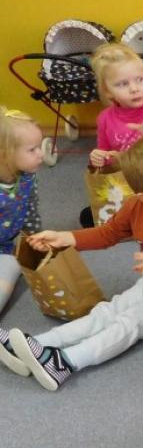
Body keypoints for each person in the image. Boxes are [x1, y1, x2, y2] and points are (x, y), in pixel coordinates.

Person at [0, 138, 143, 390]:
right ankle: (39, 343)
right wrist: (64, 237)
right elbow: (108, 233)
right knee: (108, 311)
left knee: (133, 320)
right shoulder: (136, 206)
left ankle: (66, 362)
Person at [79, 43, 143, 227]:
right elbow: (107, 160)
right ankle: (135, 223)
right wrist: (98, 158)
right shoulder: (105, 118)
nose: (134, 88)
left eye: (140, 80)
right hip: (125, 186)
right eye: (123, 84)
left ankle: (140, 223)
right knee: (87, 217)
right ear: (108, 90)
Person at [0, 107, 43, 314]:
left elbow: (31, 211)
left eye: (39, 147)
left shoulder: (27, 177)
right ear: (5, 155)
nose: (41, 154)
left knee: (12, 267)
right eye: (32, 150)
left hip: (4, 248)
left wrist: (35, 241)